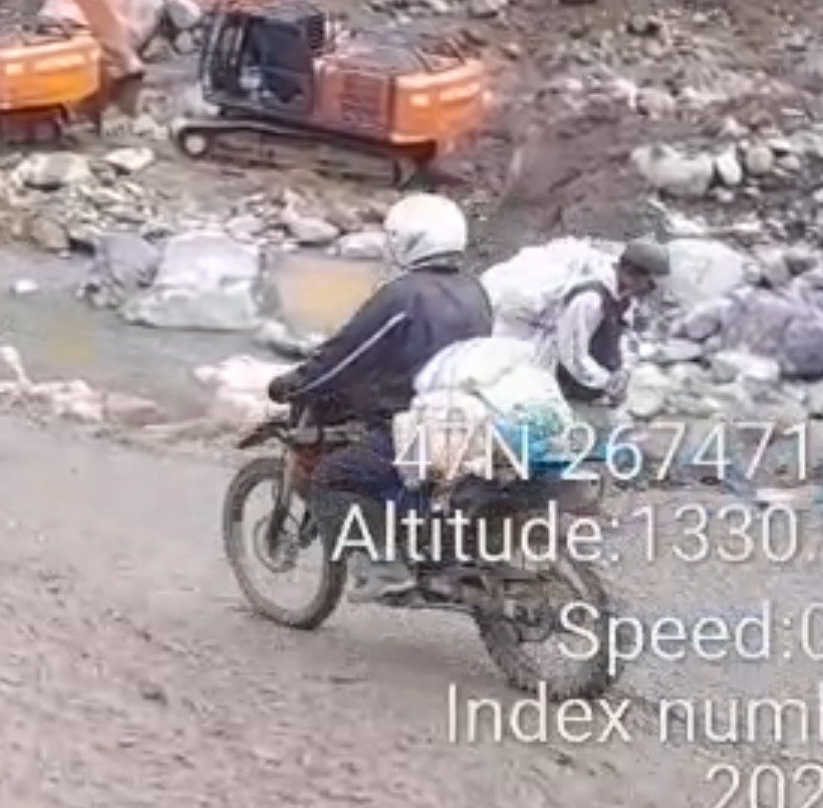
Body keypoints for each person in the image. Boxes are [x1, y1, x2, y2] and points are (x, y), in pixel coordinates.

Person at [265, 194, 492, 601]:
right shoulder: (475, 292)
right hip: (468, 421)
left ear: (409, 241)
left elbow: (346, 354)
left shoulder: (403, 296)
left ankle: (382, 569)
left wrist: (298, 382)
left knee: (330, 476)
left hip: (412, 428)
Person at [528, 239, 668, 426]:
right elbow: (571, 355)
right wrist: (607, 383)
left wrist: (623, 371)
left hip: (596, 383)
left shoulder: (625, 298)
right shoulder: (590, 300)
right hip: (567, 386)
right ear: (631, 274)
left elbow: (626, 334)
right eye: (648, 281)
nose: (651, 288)